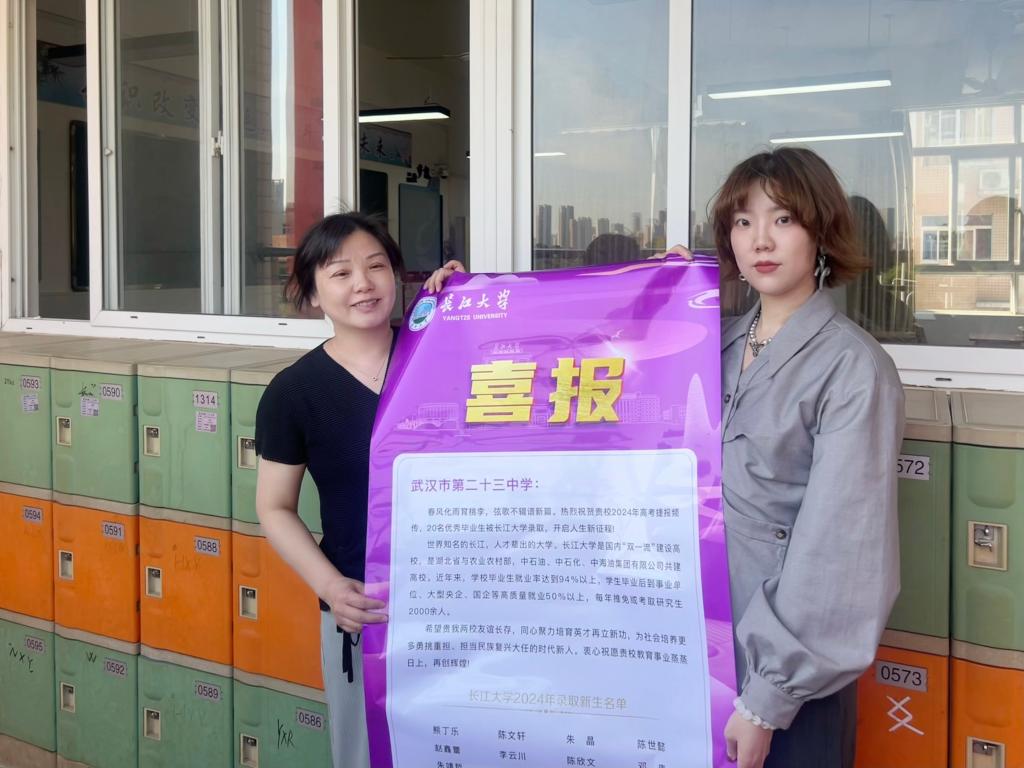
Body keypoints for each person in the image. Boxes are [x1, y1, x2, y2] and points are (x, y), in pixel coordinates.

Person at [425, 147, 904, 768]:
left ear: (821, 232)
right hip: (680, 655)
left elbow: (841, 550)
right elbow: (578, 373)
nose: (760, 239)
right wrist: (464, 309)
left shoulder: (854, 369)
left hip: (780, 682)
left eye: (783, 219)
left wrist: (768, 701)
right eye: (743, 222)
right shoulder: (712, 344)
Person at [255, 212, 403, 768]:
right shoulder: (295, 392)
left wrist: (464, 296)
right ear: (313, 293)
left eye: (376, 266)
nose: (363, 283)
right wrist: (331, 587)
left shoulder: (438, 358)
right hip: (365, 607)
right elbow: (274, 507)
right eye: (341, 273)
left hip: (459, 596)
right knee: (369, 752)